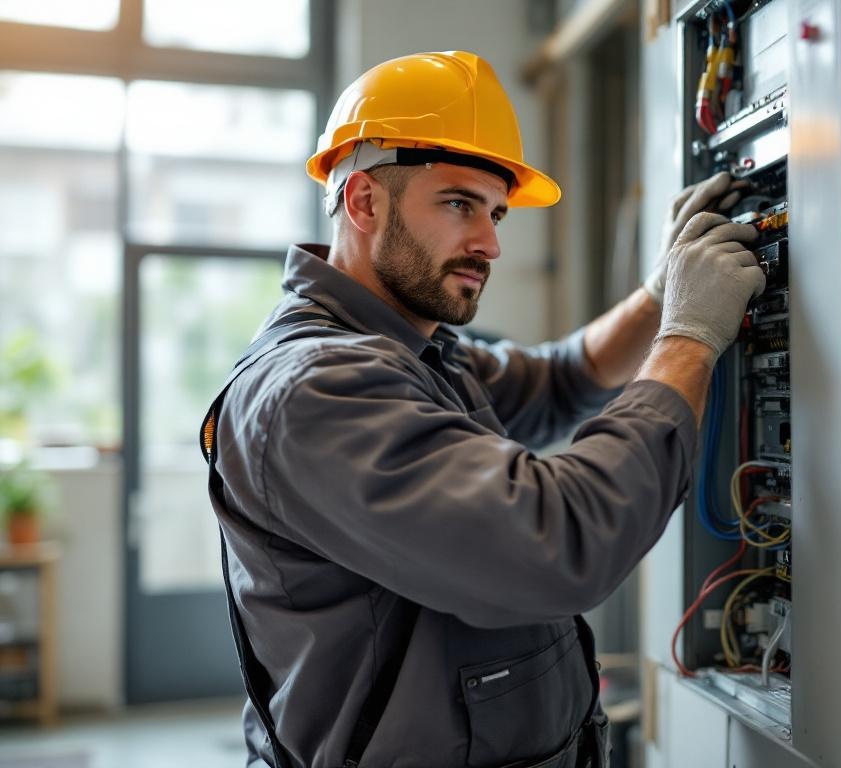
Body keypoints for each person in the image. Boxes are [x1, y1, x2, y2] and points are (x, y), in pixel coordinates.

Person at [201, 50, 763, 768]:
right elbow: (557, 545)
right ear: (364, 200)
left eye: (495, 213)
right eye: (460, 204)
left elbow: (562, 378)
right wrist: (688, 338)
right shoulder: (318, 390)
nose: (491, 243)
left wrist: (658, 297)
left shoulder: (413, 352)